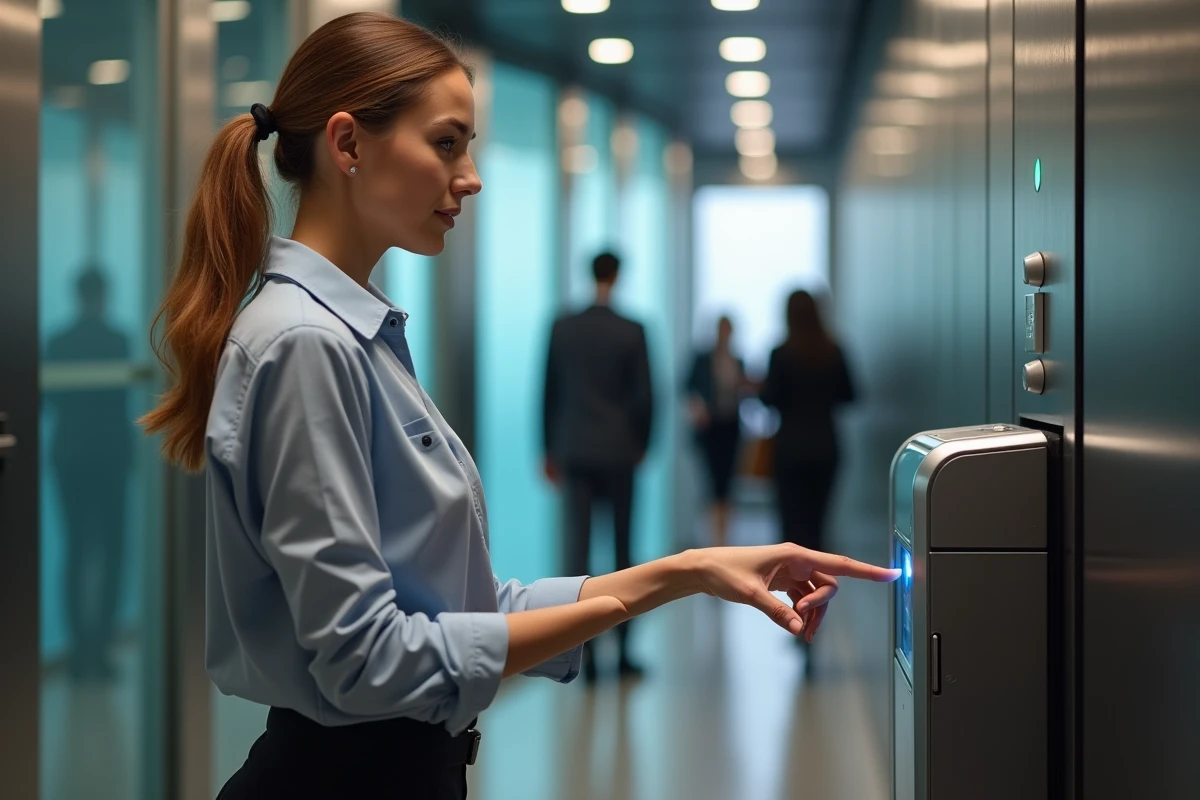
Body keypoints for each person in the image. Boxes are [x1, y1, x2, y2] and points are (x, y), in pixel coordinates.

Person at [138, 13, 896, 799]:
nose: (470, 175)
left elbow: (462, 609)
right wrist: (676, 573)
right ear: (348, 144)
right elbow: (368, 659)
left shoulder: (351, 335)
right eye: (447, 142)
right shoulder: (307, 344)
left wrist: (691, 571)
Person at [542, 251, 652, 682]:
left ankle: (581, 657)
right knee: (624, 553)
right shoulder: (632, 330)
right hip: (620, 450)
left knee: (579, 553)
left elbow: (549, 391)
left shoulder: (564, 327)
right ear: (619, 276)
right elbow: (644, 397)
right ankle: (624, 653)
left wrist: (549, 449)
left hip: (575, 449)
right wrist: (642, 443)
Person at [45, 267, 133, 682]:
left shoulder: (58, 343)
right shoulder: (118, 341)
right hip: (110, 460)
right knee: (111, 553)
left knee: (78, 553)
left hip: (70, 460)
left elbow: (50, 406)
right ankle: (98, 649)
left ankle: (83, 653)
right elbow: (120, 410)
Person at [760, 290, 857, 555]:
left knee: (791, 523)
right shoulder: (833, 351)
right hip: (826, 445)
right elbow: (851, 395)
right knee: (818, 523)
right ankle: (817, 582)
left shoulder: (781, 354)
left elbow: (769, 398)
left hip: (790, 447)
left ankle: (793, 585)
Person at [685, 315, 749, 547]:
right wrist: (697, 407)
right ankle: (713, 536)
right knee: (711, 483)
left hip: (730, 427)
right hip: (709, 429)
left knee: (727, 483)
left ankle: (725, 536)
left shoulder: (738, 360)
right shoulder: (703, 359)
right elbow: (688, 387)